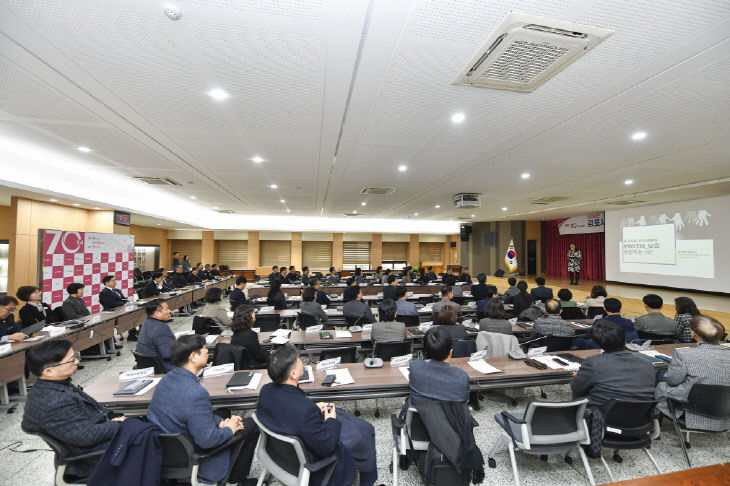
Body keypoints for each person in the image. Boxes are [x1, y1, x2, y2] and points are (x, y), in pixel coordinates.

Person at [256, 344, 378, 486]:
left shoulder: (265, 391)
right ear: (293, 374)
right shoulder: (305, 410)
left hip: (279, 455)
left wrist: (312, 407)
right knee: (366, 430)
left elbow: (289, 410)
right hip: (311, 459)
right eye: (299, 360)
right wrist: (330, 420)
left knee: (344, 416)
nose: (302, 362)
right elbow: (327, 447)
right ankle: (368, 481)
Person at [148, 335, 259, 485]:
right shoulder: (196, 393)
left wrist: (220, 423)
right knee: (252, 424)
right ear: (193, 356)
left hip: (168, 454)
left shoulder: (166, 380)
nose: (207, 351)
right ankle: (236, 480)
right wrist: (229, 429)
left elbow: (190, 413)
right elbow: (208, 441)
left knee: (223, 412)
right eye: (204, 349)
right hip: (194, 460)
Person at [22, 340, 125, 479]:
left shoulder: (53, 385)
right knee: (157, 440)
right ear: (49, 371)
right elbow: (87, 436)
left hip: (98, 443)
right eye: (71, 360)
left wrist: (114, 418)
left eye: (75, 356)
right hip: (92, 458)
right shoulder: (54, 401)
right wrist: (118, 424)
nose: (77, 361)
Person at [570, 320, 656, 456]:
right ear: (625, 340)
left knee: (578, 397)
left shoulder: (593, 363)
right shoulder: (647, 365)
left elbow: (576, 388)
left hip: (602, 421)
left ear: (598, 344)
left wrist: (581, 375)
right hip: (639, 423)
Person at [655, 316, 730, 431]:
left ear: (693, 333)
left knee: (661, 383)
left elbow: (672, 381)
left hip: (692, 409)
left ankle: (655, 426)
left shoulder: (684, 354)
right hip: (724, 409)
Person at [408, 326, 469, 405]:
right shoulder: (462, 377)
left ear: (425, 351)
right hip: (451, 416)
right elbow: (465, 401)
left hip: (420, 415)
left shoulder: (415, 367)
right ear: (451, 352)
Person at [135, 299, 175, 371]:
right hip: (163, 367)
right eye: (166, 309)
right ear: (157, 314)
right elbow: (168, 354)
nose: (169, 311)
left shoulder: (147, 322)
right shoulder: (161, 328)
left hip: (147, 366)